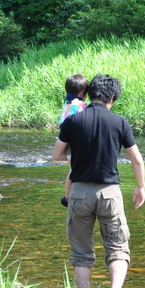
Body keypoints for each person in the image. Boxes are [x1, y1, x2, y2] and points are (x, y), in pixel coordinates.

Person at [53, 74, 145, 288]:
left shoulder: (73, 121)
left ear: (89, 93)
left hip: (79, 192)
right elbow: (136, 159)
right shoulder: (120, 122)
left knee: (82, 254)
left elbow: (57, 155)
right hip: (110, 193)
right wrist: (140, 187)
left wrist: (76, 156)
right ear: (112, 98)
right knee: (118, 248)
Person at [59, 74, 88, 206]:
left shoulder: (67, 104)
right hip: (73, 140)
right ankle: (68, 197)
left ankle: (68, 196)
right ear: (83, 92)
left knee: (71, 168)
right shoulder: (81, 105)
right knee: (73, 170)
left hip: (65, 139)